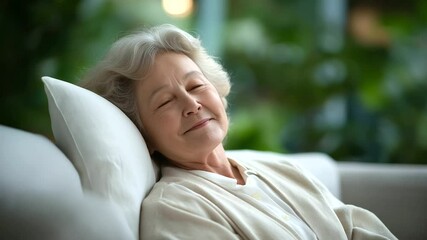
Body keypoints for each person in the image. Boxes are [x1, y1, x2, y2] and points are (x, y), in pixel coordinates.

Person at [81, 24, 397, 240]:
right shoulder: (174, 208)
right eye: (165, 102)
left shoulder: (281, 169)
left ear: (218, 91)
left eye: (196, 85)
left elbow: (356, 227)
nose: (191, 104)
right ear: (142, 133)